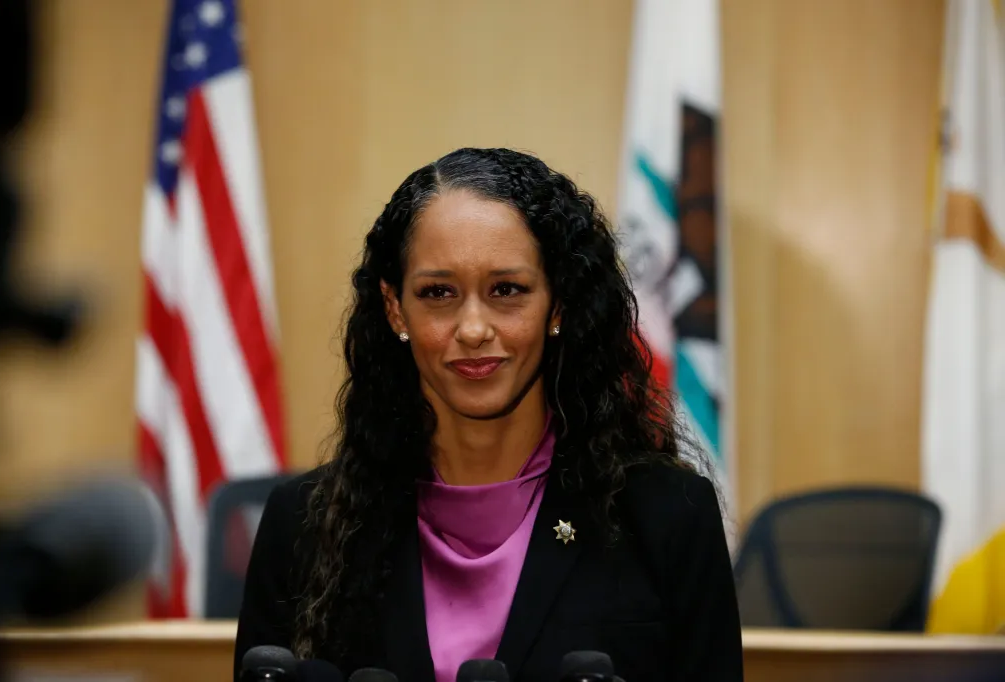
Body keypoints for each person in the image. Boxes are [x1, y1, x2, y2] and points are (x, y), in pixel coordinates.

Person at [234, 148, 743, 682]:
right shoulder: (305, 524)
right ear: (395, 309)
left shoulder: (667, 516)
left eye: (507, 290)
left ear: (558, 305)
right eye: (438, 293)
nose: (473, 329)